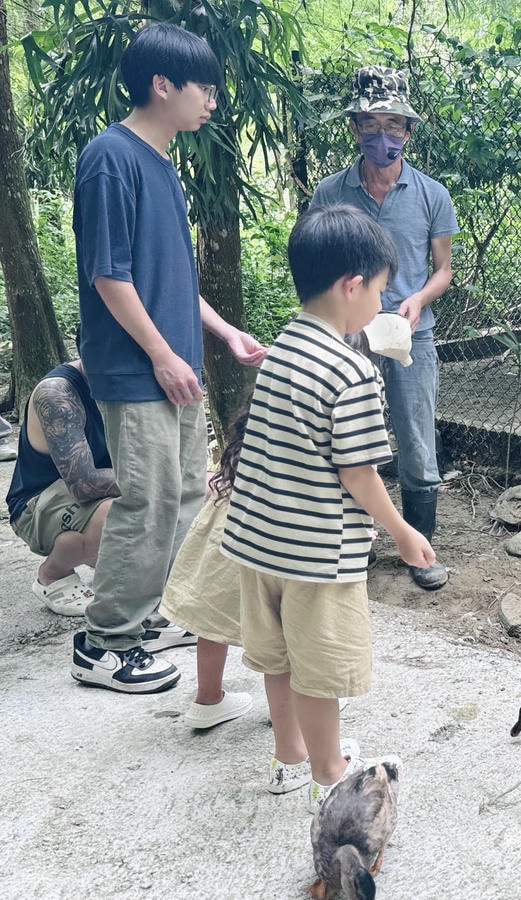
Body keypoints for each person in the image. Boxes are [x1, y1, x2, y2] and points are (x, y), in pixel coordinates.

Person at [70, 22, 267, 694]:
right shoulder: (110, 157)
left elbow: (174, 280)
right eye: (203, 87)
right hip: (137, 369)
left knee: (187, 491)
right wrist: (159, 355)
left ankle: (168, 607)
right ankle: (104, 641)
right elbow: (109, 276)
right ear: (163, 85)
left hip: (172, 363)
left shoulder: (161, 164)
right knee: (148, 500)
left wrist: (224, 333)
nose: (211, 100)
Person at [221, 204, 435, 812]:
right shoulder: (351, 370)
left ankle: (288, 758)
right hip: (315, 553)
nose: (383, 303)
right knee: (319, 670)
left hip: (257, 543)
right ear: (352, 286)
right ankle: (328, 771)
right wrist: (400, 529)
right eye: (381, 289)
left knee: (280, 658)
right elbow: (358, 473)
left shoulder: (283, 347)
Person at [310, 65, 459, 591]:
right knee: (347, 439)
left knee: (417, 439)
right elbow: (315, 264)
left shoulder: (431, 194)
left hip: (409, 335)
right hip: (347, 336)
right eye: (371, 124)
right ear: (354, 127)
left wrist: (417, 299)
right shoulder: (331, 193)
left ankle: (420, 547)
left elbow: (442, 270)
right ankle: (354, 541)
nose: (383, 137)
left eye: (393, 124)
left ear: (409, 131)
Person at [158, 405, 253, 730]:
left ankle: (208, 698)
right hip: (264, 554)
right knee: (285, 629)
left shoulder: (233, 471)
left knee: (211, 628)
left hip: (218, 563)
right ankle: (304, 705)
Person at [6, 361, 116, 616]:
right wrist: (162, 482)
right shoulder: (56, 394)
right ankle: (54, 574)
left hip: (104, 491)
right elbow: (84, 483)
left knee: (206, 489)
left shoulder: (134, 380)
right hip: (37, 506)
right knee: (123, 509)